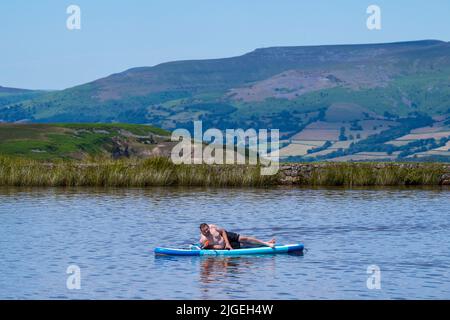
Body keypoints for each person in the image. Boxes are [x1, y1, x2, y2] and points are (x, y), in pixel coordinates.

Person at [199, 223, 275, 250]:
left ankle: (267, 243)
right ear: (201, 232)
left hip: (226, 236)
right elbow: (212, 247)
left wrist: (228, 243)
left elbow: (223, 231)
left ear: (208, 227)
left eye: (207, 229)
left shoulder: (212, 227)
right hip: (224, 246)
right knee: (244, 245)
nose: (207, 231)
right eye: (204, 231)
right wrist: (209, 247)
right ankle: (265, 244)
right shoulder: (203, 240)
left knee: (244, 238)